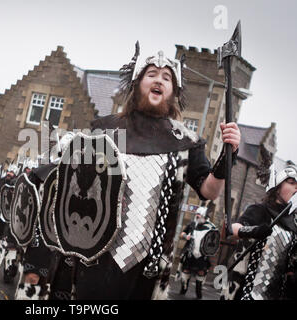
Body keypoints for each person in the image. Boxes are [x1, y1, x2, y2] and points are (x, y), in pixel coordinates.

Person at [46, 44, 241, 300]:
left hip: (149, 262)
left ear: (173, 91)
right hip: (96, 252)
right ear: (137, 83)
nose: (159, 79)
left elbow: (208, 190)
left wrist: (228, 156)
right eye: (151, 74)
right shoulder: (105, 130)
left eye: (167, 77)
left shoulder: (186, 140)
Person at [221, 164, 297, 300]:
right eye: (291, 183)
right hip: (246, 290)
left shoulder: (294, 224)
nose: (296, 187)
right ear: (277, 186)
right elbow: (232, 229)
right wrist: (253, 231)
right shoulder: (260, 210)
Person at [177, 207, 216, 299]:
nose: (197, 217)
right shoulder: (192, 224)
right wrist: (186, 236)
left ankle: (199, 294)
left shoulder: (211, 227)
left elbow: (214, 242)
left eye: (199, 216)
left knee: (200, 274)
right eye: (197, 216)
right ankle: (183, 291)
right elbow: (182, 233)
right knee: (186, 272)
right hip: (190, 253)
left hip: (202, 255)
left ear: (204, 217)